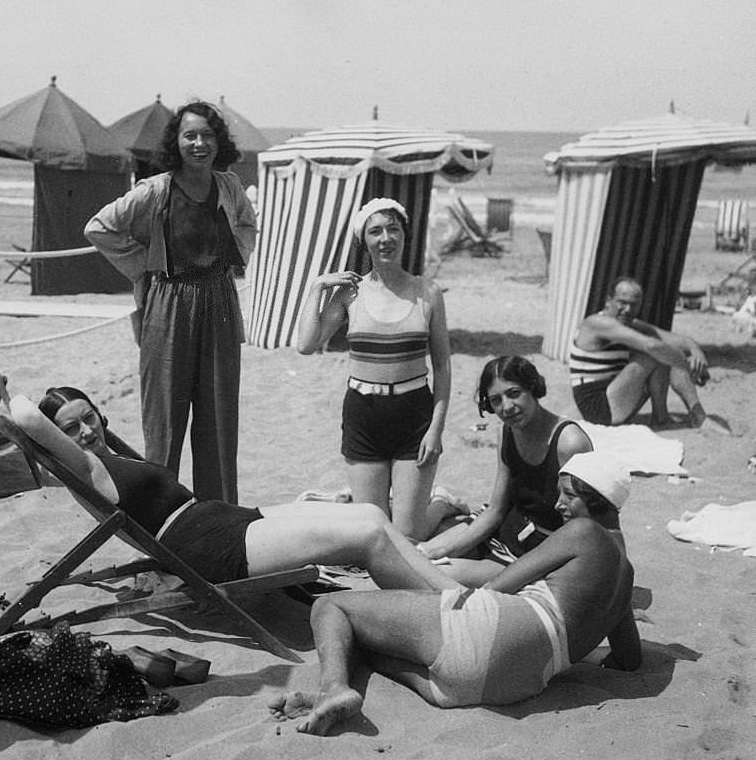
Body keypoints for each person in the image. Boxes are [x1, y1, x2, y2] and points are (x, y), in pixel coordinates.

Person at [268, 450, 641, 733]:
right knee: (362, 640)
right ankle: (333, 693)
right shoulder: (626, 577)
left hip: (493, 629)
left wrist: (451, 600)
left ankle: (332, 687)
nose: (559, 505)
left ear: (599, 500)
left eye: (569, 496)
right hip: (515, 684)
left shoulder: (585, 533)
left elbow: (502, 583)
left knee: (332, 607)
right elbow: (628, 660)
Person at [32, 386, 457, 593]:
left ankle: (453, 596)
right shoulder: (88, 469)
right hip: (207, 548)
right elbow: (21, 414)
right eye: (70, 428)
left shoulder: (110, 454)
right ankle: (445, 609)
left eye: (88, 417)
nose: (86, 431)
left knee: (371, 515)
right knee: (367, 536)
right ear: (57, 436)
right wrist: (3, 404)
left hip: (218, 520)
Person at [85, 101, 257, 504]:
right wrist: (144, 264)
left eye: (207, 135)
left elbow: (247, 225)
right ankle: (162, 515)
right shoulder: (157, 187)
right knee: (164, 418)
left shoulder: (229, 185)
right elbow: (99, 228)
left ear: (219, 141)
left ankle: (219, 514)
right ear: (176, 142)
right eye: (190, 135)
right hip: (169, 301)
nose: (200, 143)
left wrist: (235, 258)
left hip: (219, 300)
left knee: (218, 419)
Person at [295, 198, 451, 540]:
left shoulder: (428, 292)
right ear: (364, 241)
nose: (385, 238)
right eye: (375, 231)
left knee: (409, 537)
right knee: (375, 533)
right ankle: (436, 505)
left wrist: (436, 430)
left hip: (415, 416)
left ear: (404, 236)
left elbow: (442, 364)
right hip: (364, 416)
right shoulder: (351, 294)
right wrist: (317, 287)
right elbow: (306, 344)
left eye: (393, 229)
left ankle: (441, 505)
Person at [415, 356, 593, 585]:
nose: (507, 407)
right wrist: (441, 550)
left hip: (537, 549)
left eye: (514, 393)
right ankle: (443, 508)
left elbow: (588, 524)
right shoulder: (507, 433)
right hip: (505, 526)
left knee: (431, 577)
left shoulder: (569, 443)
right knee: (420, 555)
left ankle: (443, 510)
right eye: (496, 400)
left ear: (532, 388)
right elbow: (496, 510)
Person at [570, 276, 725, 432]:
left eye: (634, 305)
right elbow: (652, 346)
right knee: (656, 352)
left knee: (666, 350)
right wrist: (688, 367)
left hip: (615, 398)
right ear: (608, 300)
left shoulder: (628, 323)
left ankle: (685, 416)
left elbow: (679, 340)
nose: (628, 310)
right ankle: (672, 418)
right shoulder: (597, 323)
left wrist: (697, 353)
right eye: (622, 303)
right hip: (597, 409)